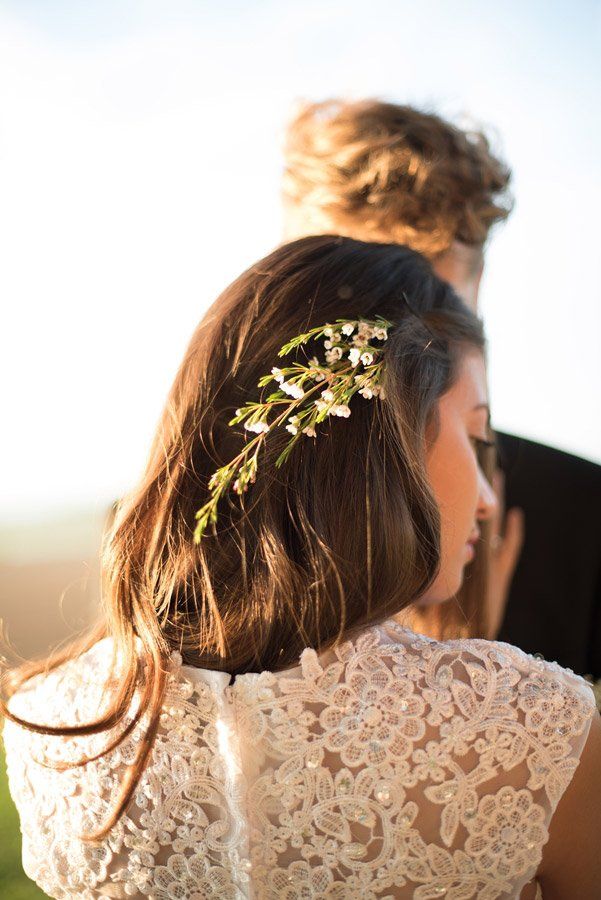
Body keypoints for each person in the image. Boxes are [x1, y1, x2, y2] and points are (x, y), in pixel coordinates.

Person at [2, 237, 600, 898]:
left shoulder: (48, 725)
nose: (488, 498)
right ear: (389, 439)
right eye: (477, 434)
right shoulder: (533, 724)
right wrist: (477, 682)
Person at [282, 99, 601, 676]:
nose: (403, 361)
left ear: (476, 296)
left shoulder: (586, 519)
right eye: (371, 317)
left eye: (432, 315)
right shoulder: (197, 537)